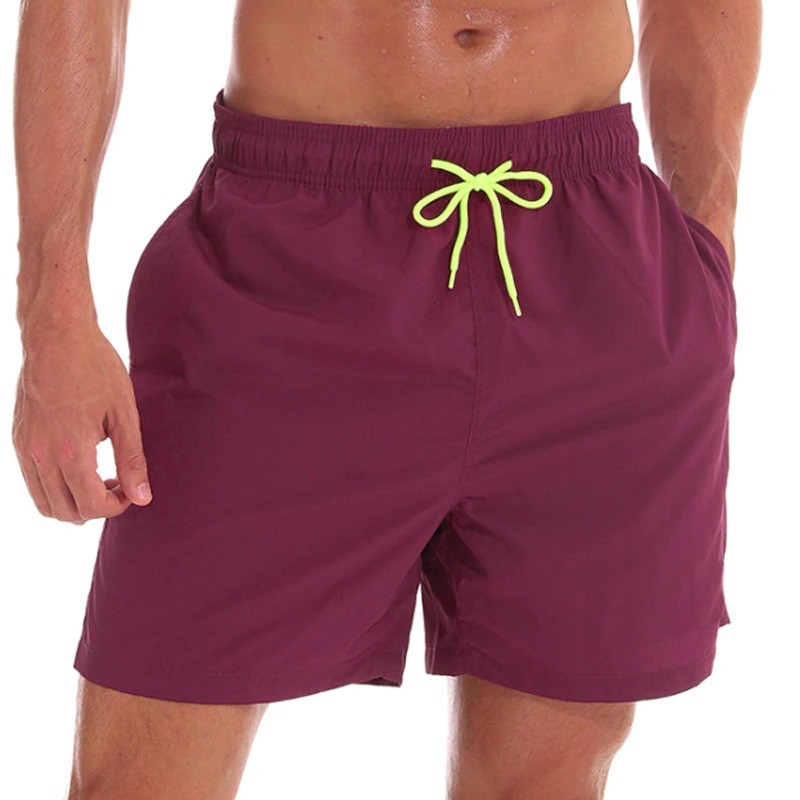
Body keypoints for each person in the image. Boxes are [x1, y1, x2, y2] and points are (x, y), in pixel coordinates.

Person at [12, 1, 761, 798]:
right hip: (290, 264)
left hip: (595, 262)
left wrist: (708, 235)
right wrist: (52, 315)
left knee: (551, 781)